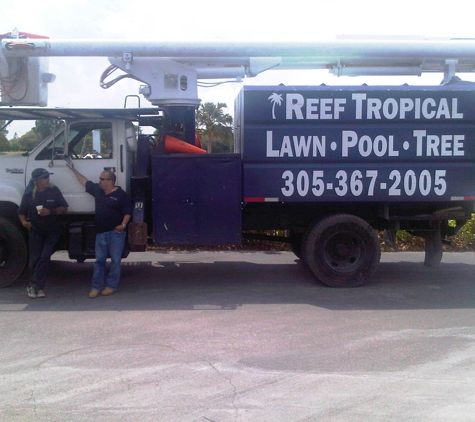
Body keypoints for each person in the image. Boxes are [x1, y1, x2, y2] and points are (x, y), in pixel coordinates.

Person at [67, 161, 131, 298]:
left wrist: (122, 226)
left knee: (115, 261)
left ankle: (111, 286)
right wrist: (73, 170)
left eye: (102, 179)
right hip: (100, 233)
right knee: (99, 261)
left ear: (110, 181)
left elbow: (127, 212)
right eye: (100, 179)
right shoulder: (98, 191)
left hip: (116, 234)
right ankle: (96, 287)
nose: (99, 181)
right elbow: (84, 181)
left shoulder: (121, 195)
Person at [18, 168, 69, 299]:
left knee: (45, 257)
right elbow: (21, 211)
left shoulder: (54, 190)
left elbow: (64, 208)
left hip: (52, 231)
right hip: (36, 231)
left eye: (48, 177)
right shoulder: (29, 194)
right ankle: (38, 287)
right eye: (45, 177)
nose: (48, 179)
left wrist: (51, 211)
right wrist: (25, 223)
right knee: (35, 258)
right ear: (37, 181)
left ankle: (33, 285)